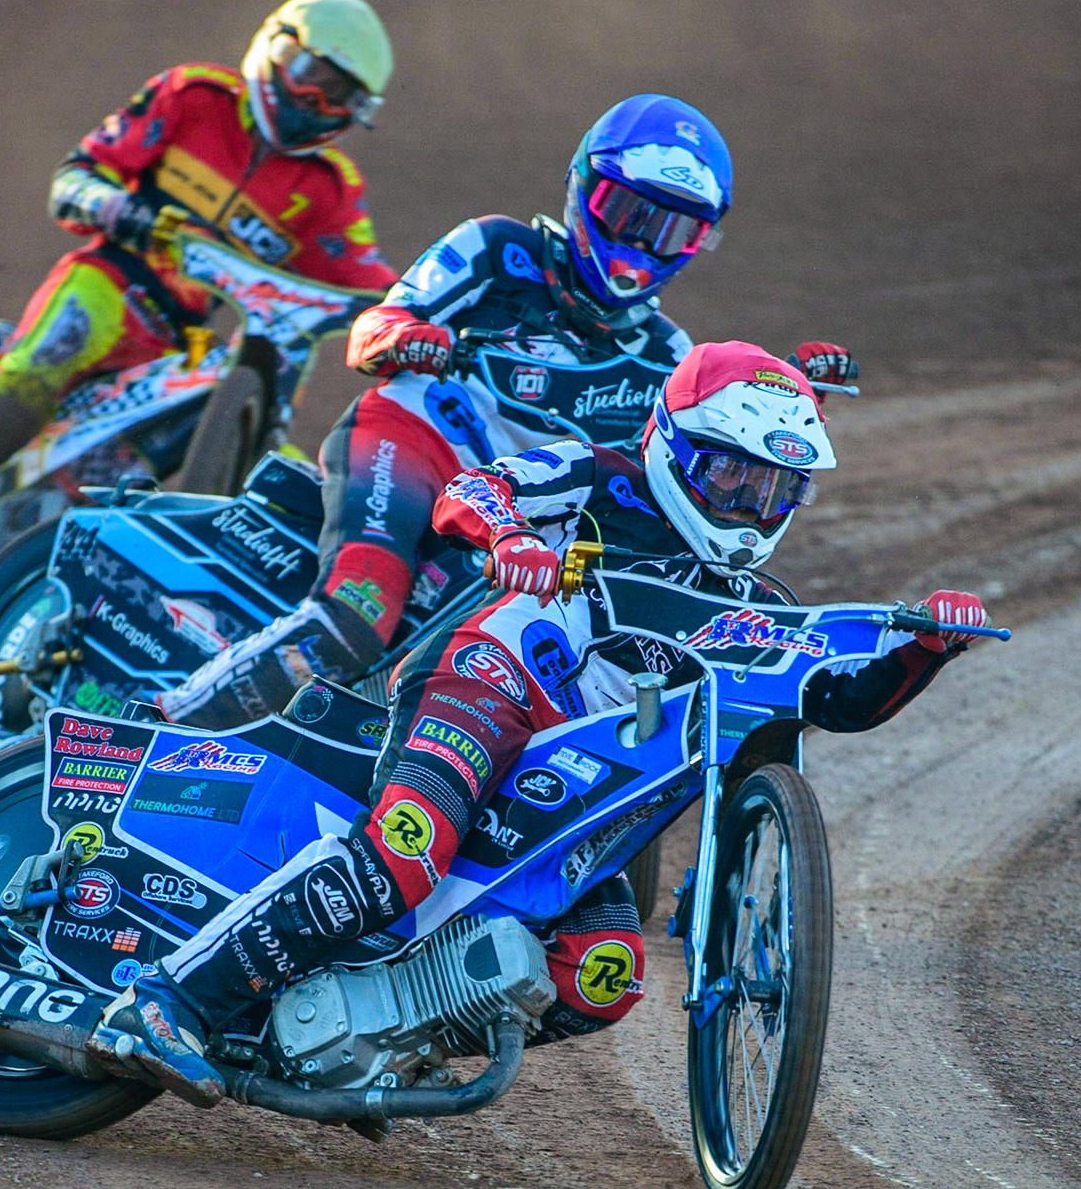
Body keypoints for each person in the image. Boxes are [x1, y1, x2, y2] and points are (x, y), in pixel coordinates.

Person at [90, 341, 989, 1106]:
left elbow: (837, 702)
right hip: (493, 683)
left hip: (582, 790)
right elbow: (472, 491)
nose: (749, 509)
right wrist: (511, 538)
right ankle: (168, 999)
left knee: (605, 976)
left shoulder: (760, 602)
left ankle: (373, 1045)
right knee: (403, 856)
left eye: (775, 490)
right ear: (675, 446)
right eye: (730, 476)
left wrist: (923, 652)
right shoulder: (601, 475)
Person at [156, 92, 860, 727]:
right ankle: (161, 726)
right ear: (586, 188)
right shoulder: (499, 250)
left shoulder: (671, 353)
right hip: (418, 445)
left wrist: (790, 405)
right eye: (629, 215)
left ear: (698, 242)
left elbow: (690, 462)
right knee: (359, 614)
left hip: (518, 520)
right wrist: (411, 337)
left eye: (672, 231)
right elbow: (374, 328)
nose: (643, 244)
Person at [0, 0, 400, 608]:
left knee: (127, 478)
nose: (315, 99)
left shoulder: (328, 190)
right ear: (277, 47)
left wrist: (420, 309)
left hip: (178, 345)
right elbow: (75, 177)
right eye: (312, 73)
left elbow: (366, 275)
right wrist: (129, 211)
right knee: (8, 414)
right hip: (104, 286)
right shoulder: (193, 97)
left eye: (339, 95)